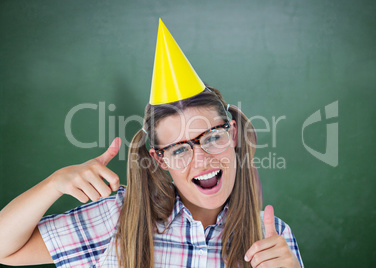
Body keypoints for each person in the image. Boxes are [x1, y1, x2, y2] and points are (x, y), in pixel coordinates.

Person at [0, 19, 304, 268]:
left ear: (233, 135)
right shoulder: (119, 219)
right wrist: (54, 184)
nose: (201, 160)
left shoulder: (274, 241)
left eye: (212, 137)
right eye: (180, 149)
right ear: (160, 160)